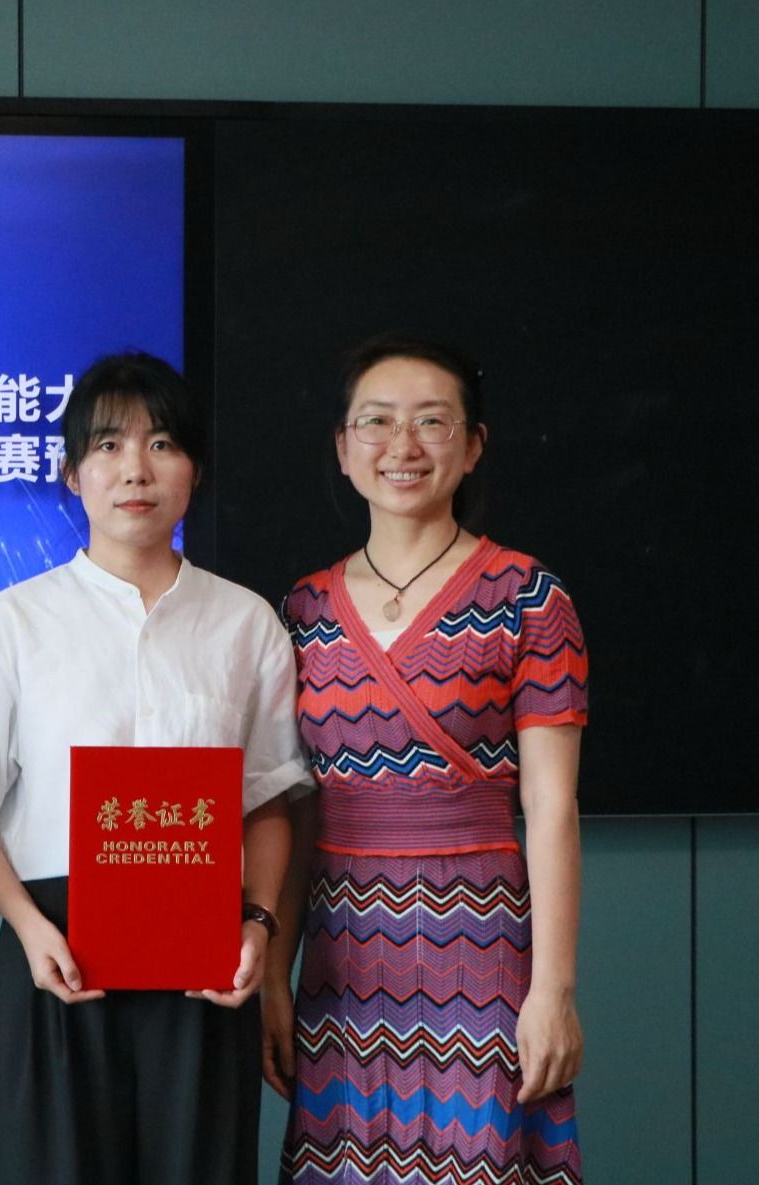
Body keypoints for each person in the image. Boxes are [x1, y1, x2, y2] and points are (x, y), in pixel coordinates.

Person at [0, 352, 310, 1185]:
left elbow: (268, 802)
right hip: (57, 952)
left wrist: (257, 925)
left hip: (204, 956)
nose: (136, 468)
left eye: (162, 443)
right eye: (108, 445)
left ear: (195, 469)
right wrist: (31, 929)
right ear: (73, 474)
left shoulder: (246, 622)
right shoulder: (12, 622)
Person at [266, 333, 588, 1185]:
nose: (402, 445)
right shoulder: (301, 609)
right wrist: (273, 977)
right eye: (376, 421)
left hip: (482, 942)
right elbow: (296, 810)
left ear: (473, 444)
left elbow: (552, 807)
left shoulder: (528, 595)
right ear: (343, 448)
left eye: (431, 421)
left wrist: (552, 990)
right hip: (340, 954)